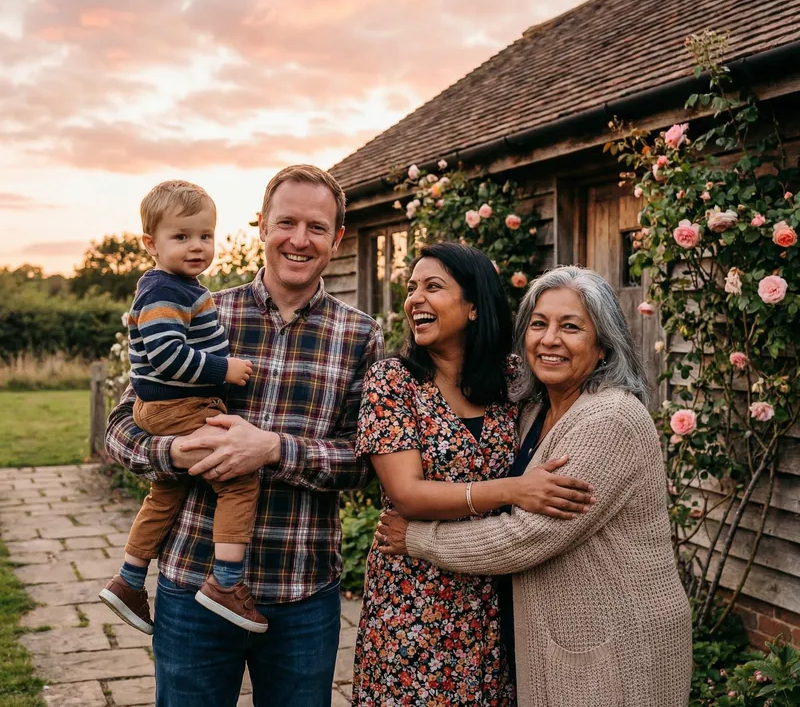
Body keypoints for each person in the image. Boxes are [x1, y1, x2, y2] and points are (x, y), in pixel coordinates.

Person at [105, 164, 383, 707]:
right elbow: (122, 424)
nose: (299, 240)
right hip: (191, 583)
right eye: (286, 222)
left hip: (301, 590)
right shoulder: (201, 308)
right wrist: (174, 452)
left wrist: (275, 449)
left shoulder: (361, 335)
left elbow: (366, 461)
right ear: (260, 226)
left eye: (317, 227)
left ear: (337, 238)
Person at [377, 265, 693, 707]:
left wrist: (417, 537)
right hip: (563, 635)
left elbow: (527, 536)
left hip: (618, 639)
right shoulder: (532, 409)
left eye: (571, 327)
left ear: (603, 345)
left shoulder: (610, 419)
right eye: (539, 324)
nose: (549, 339)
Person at [352, 244, 596, 707]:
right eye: (411, 289)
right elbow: (406, 494)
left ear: (473, 306)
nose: (415, 299)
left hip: (498, 592)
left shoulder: (513, 381)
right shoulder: (393, 381)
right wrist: (514, 490)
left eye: (433, 287)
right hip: (415, 599)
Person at [99, 180, 266, 636]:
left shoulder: (180, 287)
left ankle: (130, 580)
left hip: (169, 407)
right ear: (151, 244)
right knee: (239, 478)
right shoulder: (164, 292)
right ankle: (226, 583)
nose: (197, 246)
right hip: (179, 405)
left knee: (165, 492)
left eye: (205, 236)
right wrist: (224, 369)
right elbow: (167, 356)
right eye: (182, 237)